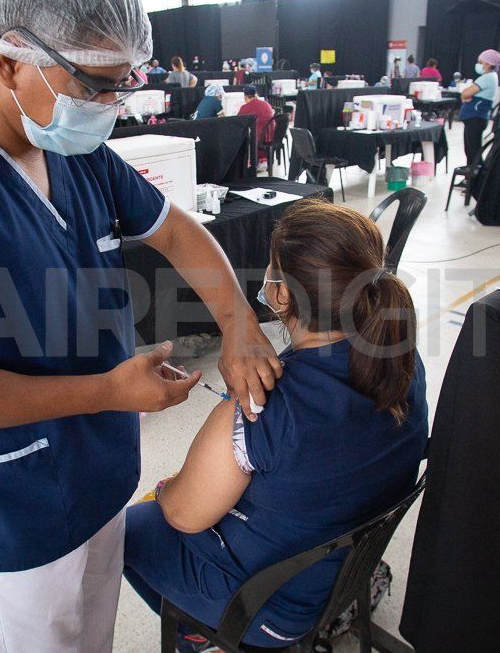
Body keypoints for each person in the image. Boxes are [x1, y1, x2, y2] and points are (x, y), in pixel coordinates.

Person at [0, 0, 282, 649]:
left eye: (118, 84)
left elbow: (178, 232)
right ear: (11, 59)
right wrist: (107, 390)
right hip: (11, 505)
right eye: (91, 85)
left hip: (98, 473)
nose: (107, 105)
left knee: (92, 634)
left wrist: (240, 325)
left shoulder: (76, 154)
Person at [124, 202, 428, 651]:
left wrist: (169, 486)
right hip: (340, 569)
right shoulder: (401, 360)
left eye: (271, 268)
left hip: (272, 609)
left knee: (127, 530)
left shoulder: (265, 402)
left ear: (282, 296)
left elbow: (183, 514)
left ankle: (194, 631)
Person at [459, 49, 500, 166]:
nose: (478, 65)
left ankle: (476, 178)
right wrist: (466, 96)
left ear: (488, 64)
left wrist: (466, 96)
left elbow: (465, 93)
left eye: (480, 62)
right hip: (474, 118)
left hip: (475, 118)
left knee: (473, 151)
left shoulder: (487, 77)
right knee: (470, 150)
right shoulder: (489, 77)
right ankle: (471, 175)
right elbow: (466, 95)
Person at [237, 85, 274, 166]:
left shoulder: (245, 107)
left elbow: (238, 122)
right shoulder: (266, 104)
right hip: (271, 136)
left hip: (258, 138)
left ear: (245, 96)